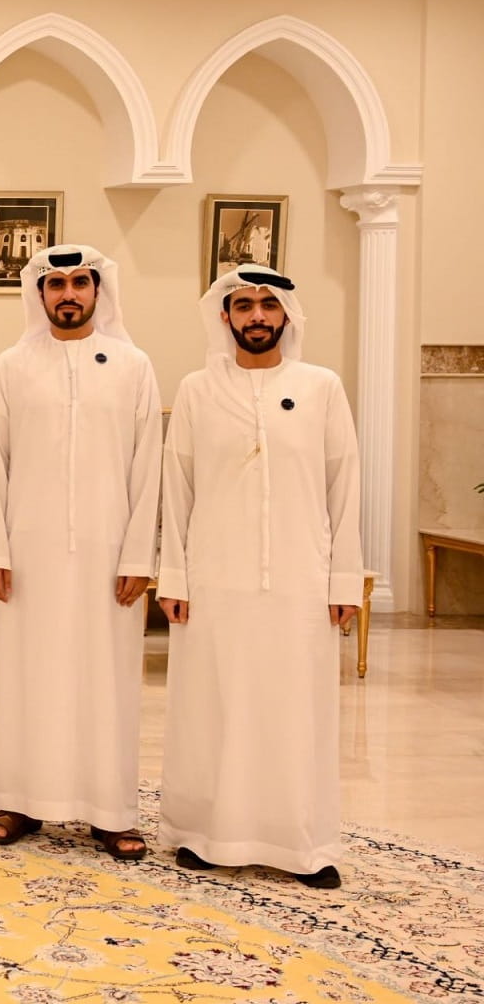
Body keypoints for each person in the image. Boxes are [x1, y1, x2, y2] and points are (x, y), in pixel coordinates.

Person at [157, 265, 362, 889]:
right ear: (225, 317)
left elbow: (344, 487)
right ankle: (206, 833)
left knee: (296, 711)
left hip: (301, 581)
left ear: (286, 315)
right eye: (243, 305)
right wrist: (174, 577)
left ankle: (304, 843)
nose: (256, 316)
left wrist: (344, 581)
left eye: (268, 305)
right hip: (215, 581)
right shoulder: (197, 390)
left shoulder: (321, 387)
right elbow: (177, 489)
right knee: (213, 707)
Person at [0, 244, 162, 860]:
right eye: (56, 285)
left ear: (97, 292)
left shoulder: (133, 366)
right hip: (29, 551)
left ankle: (111, 811)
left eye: (80, 283)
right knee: (25, 676)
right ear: (40, 295)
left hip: (109, 553)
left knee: (106, 680)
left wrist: (138, 556)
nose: (68, 295)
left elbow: (147, 468)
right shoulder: (12, 366)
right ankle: (19, 800)